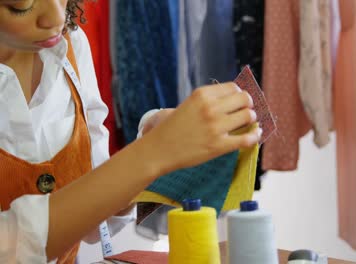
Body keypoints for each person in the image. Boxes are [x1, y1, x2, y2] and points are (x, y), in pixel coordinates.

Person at [0, 0, 261, 263]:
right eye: (21, 6)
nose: (55, 18)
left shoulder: (70, 47)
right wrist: (149, 155)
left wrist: (152, 151)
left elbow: (93, 224)